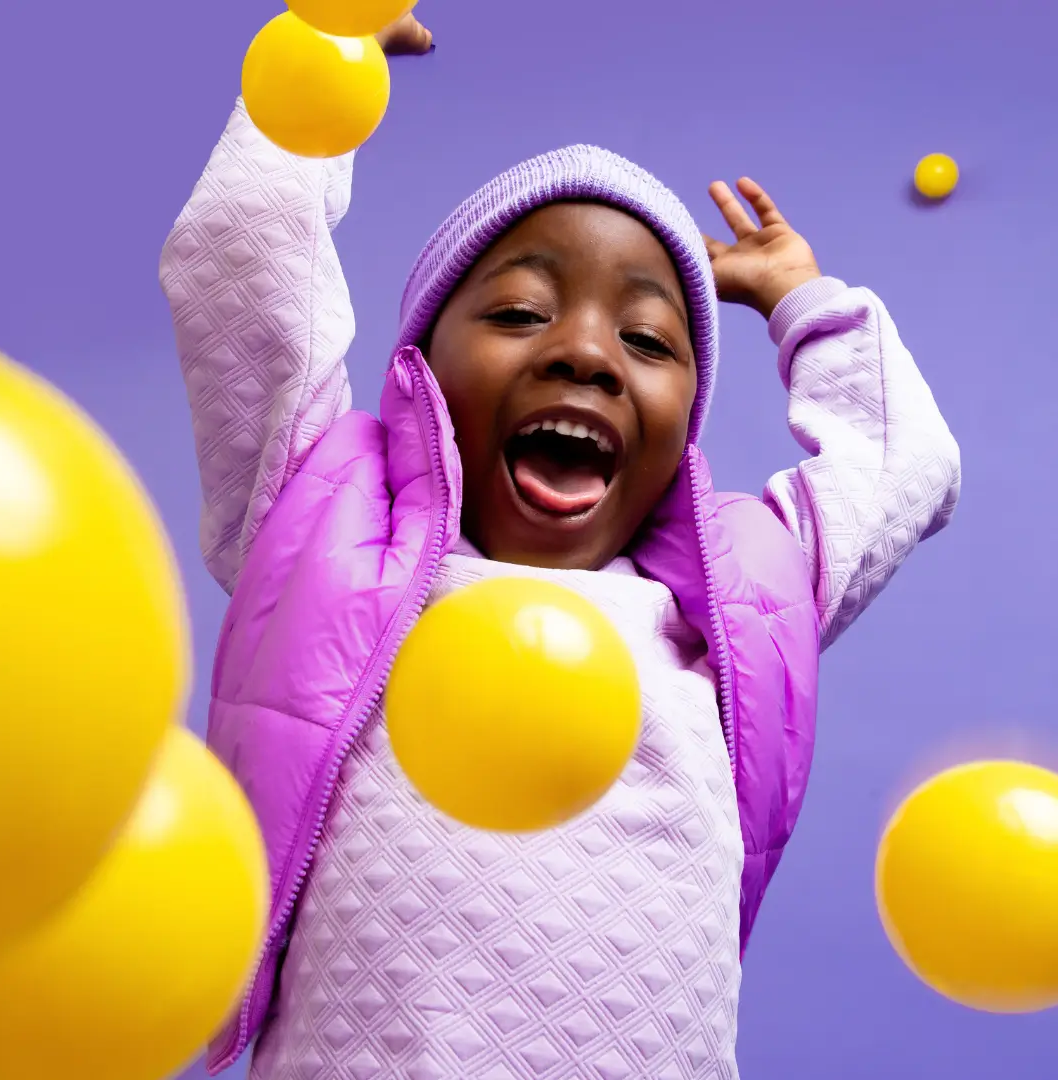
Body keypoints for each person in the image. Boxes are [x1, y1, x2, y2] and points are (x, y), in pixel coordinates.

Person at [159, 12, 960, 1079]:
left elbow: (906, 463)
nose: (584, 352)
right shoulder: (326, 524)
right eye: (521, 312)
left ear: (685, 419)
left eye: (645, 339)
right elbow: (244, 268)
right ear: (422, 375)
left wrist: (801, 301)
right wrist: (324, 66)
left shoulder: (739, 598)